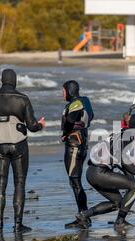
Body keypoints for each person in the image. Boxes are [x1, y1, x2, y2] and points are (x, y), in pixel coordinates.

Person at [0, 69, 46, 234]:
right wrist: (40, 125)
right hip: (19, 146)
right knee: (19, 184)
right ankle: (18, 225)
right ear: (15, 80)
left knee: (0, 186)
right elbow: (31, 126)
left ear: (2, 80)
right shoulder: (22, 99)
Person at [75, 113, 135, 230]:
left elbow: (123, 164)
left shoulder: (121, 133)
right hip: (100, 173)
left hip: (92, 173)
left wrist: (134, 186)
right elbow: (125, 162)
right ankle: (120, 222)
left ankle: (83, 216)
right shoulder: (128, 136)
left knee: (117, 203)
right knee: (134, 186)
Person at [60, 80, 94, 229]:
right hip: (82, 142)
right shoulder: (85, 101)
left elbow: (70, 119)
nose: (62, 94)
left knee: (75, 181)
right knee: (76, 181)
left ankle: (83, 217)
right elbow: (89, 117)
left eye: (63, 91)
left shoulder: (76, 103)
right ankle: (83, 215)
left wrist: (67, 131)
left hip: (75, 144)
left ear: (69, 90)